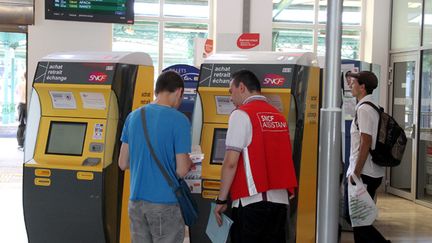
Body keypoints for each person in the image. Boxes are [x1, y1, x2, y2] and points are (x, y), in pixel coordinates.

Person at [213, 70, 297, 243]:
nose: (230, 97)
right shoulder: (278, 116)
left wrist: (221, 199)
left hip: (252, 201)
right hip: (280, 202)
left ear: (241, 87)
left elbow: (230, 162)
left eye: (231, 91)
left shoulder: (241, 114)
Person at [118, 71, 193, 243]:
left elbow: (123, 163)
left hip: (136, 203)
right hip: (165, 203)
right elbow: (181, 170)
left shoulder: (133, 116)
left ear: (156, 91)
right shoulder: (179, 120)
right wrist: (188, 162)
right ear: (179, 92)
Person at [347, 71, 391, 243]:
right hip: (372, 171)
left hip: (364, 173)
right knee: (360, 221)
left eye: (354, 82)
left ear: (362, 86)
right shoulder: (372, 106)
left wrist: (356, 173)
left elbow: (366, 141)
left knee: (360, 223)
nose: (350, 84)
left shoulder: (364, 109)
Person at [16, 71, 27, 149]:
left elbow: (17, 93)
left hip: (20, 104)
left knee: (21, 124)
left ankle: (20, 143)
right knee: (28, 123)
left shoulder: (20, 84)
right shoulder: (29, 83)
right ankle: (26, 142)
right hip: (27, 105)